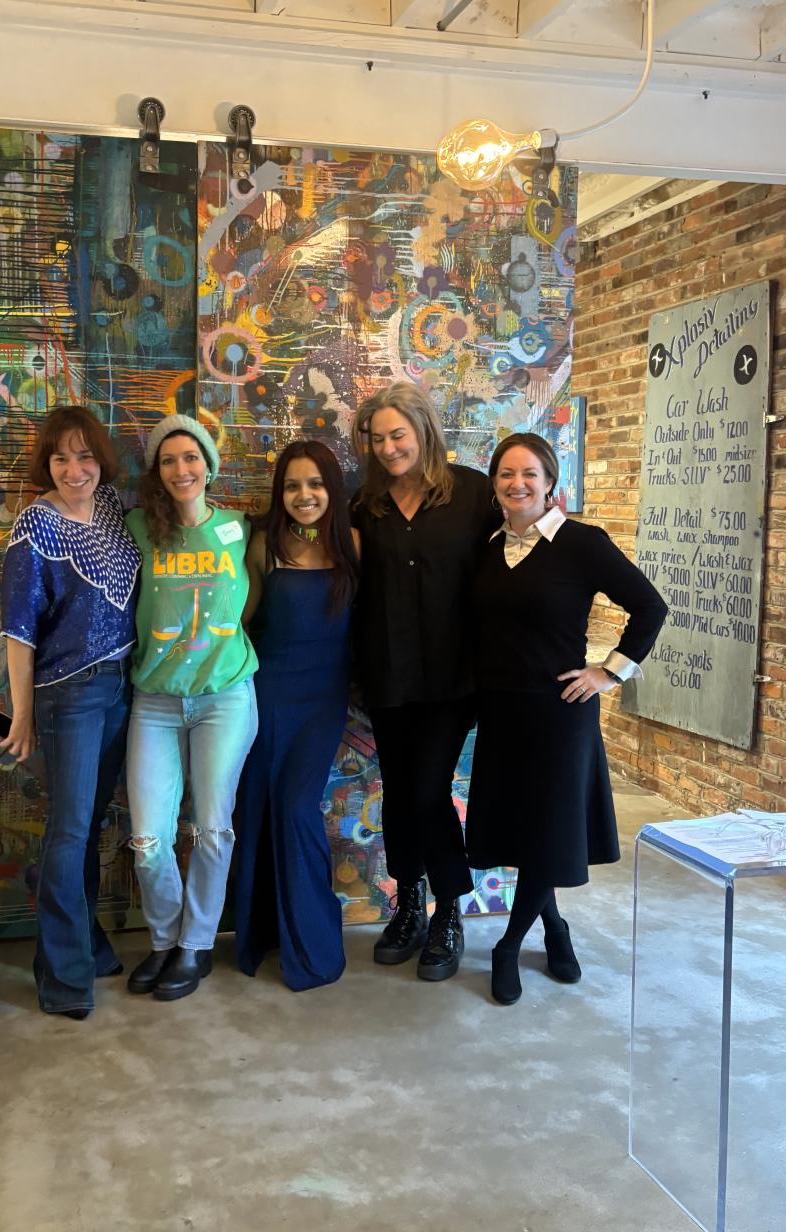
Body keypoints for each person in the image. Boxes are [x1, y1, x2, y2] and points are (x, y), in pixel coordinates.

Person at [465, 432, 668, 1005]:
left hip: (560, 715)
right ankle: (554, 928)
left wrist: (609, 672)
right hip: (502, 712)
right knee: (525, 830)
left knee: (549, 832)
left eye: (529, 473)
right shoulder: (487, 547)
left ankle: (508, 946)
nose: (517, 483)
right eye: (506, 473)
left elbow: (651, 606)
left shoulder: (582, 543)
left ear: (551, 481)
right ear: (495, 484)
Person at [0, 405, 141, 1020]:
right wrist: (22, 715)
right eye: (61, 457)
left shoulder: (111, 507)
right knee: (70, 830)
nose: (74, 469)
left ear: (100, 460)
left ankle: (89, 945)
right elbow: (18, 632)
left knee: (88, 826)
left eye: (85, 456)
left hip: (123, 685)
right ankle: (63, 979)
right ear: (47, 463)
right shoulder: (36, 526)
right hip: (72, 694)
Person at [350, 380, 494, 982]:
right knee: (401, 790)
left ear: (424, 430)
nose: (388, 449)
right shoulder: (365, 506)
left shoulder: (472, 493)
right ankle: (407, 905)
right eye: (378, 439)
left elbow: (510, 566)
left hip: (452, 675)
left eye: (398, 435)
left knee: (430, 791)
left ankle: (449, 913)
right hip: (386, 673)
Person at [124, 414, 258, 1002]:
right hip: (154, 699)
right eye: (170, 460)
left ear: (208, 465)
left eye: (191, 457)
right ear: (158, 472)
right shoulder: (137, 529)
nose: (182, 469)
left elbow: (255, 598)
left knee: (211, 828)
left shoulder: (238, 527)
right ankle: (164, 937)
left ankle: (195, 945)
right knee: (148, 838)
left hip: (224, 697)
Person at [233, 440, 361, 991]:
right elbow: (238, 622)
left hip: (324, 699)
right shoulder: (264, 544)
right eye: (292, 486)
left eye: (315, 484)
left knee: (295, 807)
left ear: (333, 489)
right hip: (265, 693)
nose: (304, 496)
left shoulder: (355, 544)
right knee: (256, 808)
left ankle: (312, 944)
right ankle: (262, 935)